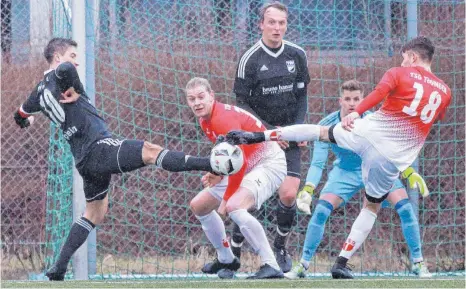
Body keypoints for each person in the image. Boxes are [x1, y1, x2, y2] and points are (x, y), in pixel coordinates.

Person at [224, 36, 451, 278]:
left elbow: (379, 92)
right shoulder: (445, 92)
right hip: (392, 158)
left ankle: (259, 136)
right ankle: (339, 262)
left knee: (320, 132)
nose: (403, 61)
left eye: (405, 57)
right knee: (371, 206)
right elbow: (433, 120)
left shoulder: (398, 73)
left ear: (413, 57)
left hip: (370, 133)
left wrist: (357, 113)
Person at [13, 38, 224, 281]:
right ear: (58, 57)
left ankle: (58, 269)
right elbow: (66, 70)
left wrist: (27, 121)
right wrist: (79, 89)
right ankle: (211, 163)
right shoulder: (61, 76)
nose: (76, 61)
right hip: (99, 148)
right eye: (72, 55)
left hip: (83, 160)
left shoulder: (38, 92)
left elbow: (19, 115)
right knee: (150, 151)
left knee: (94, 213)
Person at [285, 80, 432, 279]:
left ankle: (418, 263)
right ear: (340, 101)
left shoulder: (375, 121)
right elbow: (318, 163)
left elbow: (391, 150)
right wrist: (309, 188)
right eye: (347, 99)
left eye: (356, 99)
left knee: (405, 208)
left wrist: (407, 172)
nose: (352, 103)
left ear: (363, 100)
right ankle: (303, 264)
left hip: (375, 169)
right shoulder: (326, 124)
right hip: (345, 171)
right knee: (320, 211)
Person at [231, 1, 310, 273]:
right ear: (261, 25)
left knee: (289, 195)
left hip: (288, 135)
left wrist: (297, 129)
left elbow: (301, 97)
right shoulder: (249, 59)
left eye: (282, 23)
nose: (277, 28)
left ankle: (279, 246)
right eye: (272, 22)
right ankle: (234, 250)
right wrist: (268, 133)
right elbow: (242, 103)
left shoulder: (297, 55)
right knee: (248, 196)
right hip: (259, 137)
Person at [185, 77, 286, 279]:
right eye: (191, 99)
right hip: (247, 164)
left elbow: (239, 165)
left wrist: (224, 200)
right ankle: (227, 259)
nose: (196, 103)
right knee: (199, 206)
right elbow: (231, 158)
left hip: (268, 162)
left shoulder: (222, 119)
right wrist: (218, 173)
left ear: (212, 96)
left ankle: (271, 264)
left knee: (233, 206)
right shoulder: (204, 120)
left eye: (201, 97)